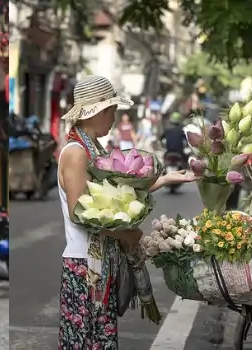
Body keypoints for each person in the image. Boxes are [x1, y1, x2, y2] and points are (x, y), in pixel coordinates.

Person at [56, 76, 197, 348]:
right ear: (97, 111)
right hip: (85, 266)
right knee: (87, 340)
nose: (114, 117)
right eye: (112, 111)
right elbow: (78, 213)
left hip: (98, 264)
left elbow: (118, 196)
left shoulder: (93, 148)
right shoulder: (76, 153)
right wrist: (125, 232)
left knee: (99, 338)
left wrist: (165, 179)